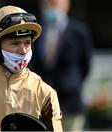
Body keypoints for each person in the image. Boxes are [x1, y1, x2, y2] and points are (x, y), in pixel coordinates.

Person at [30, 0, 92, 131]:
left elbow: (85, 65)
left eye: (54, 4)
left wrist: (71, 83)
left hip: (70, 103)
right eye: (47, 4)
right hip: (42, 103)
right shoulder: (35, 31)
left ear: (66, 4)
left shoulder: (79, 32)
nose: (51, 8)